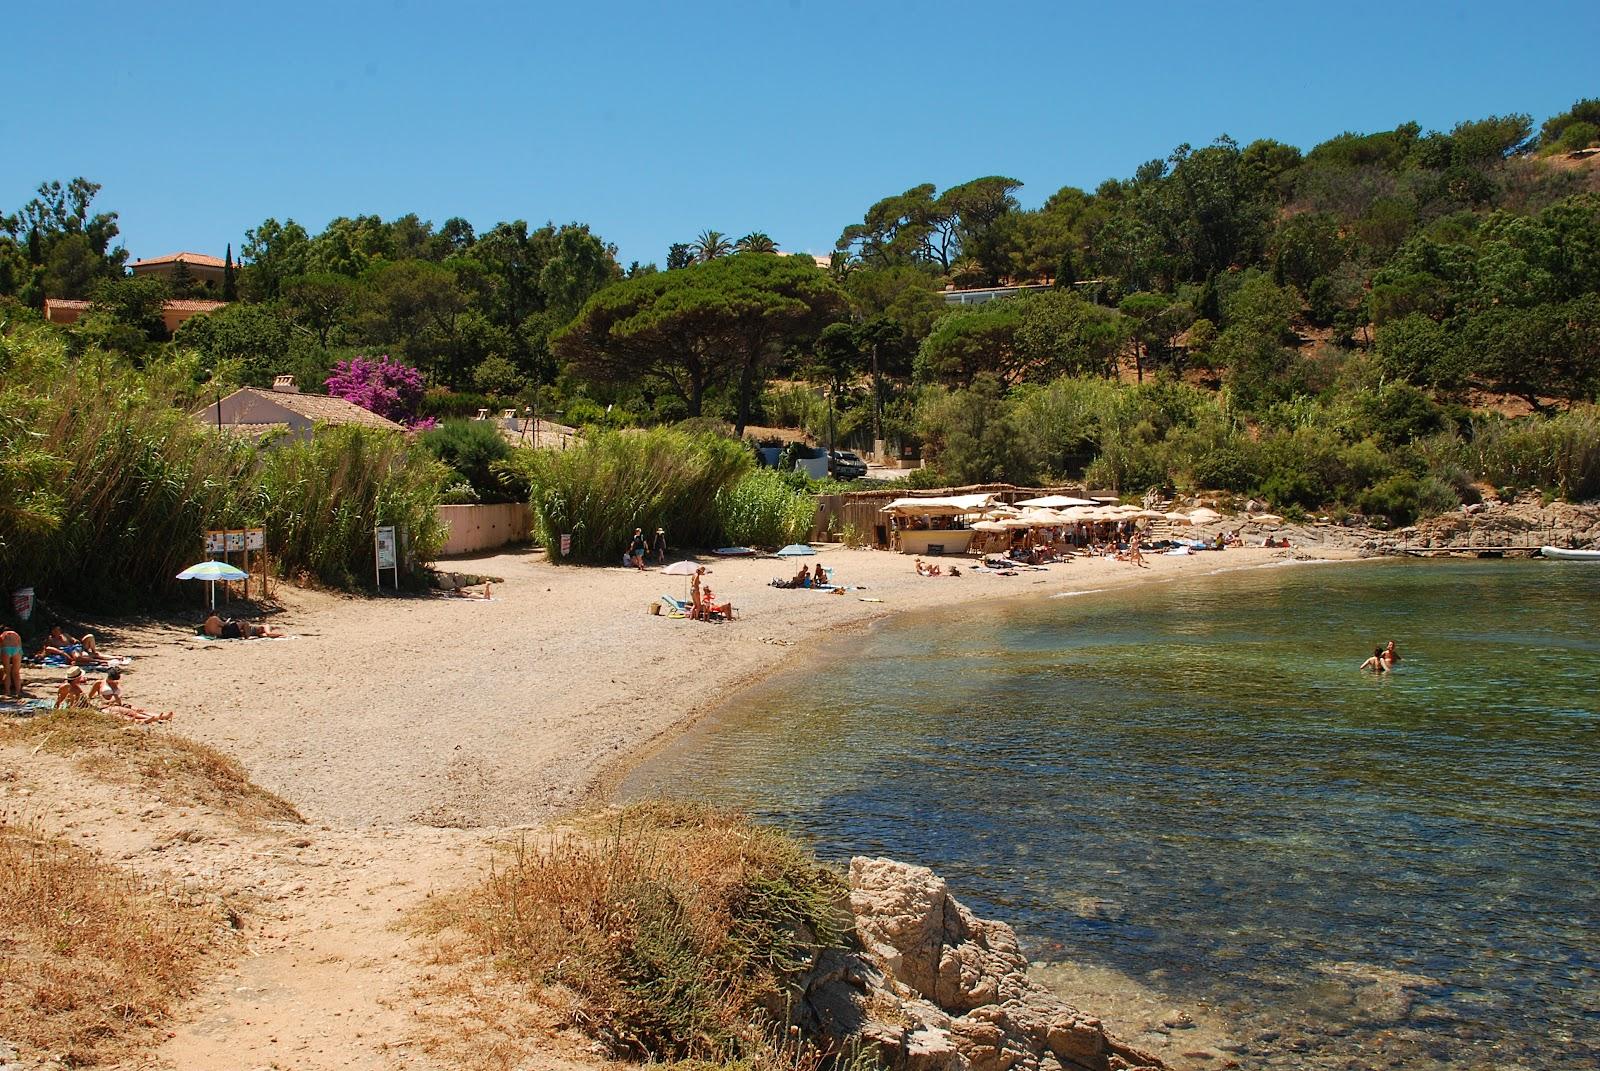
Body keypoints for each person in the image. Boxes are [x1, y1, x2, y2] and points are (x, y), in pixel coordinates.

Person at [1, 627, 22, 698]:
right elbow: (20, 644)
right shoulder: (16, 634)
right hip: (17, 649)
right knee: (16, 672)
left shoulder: (3, 635)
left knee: (7, 672)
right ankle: (18, 692)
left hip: (6, 649)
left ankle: (7, 692)